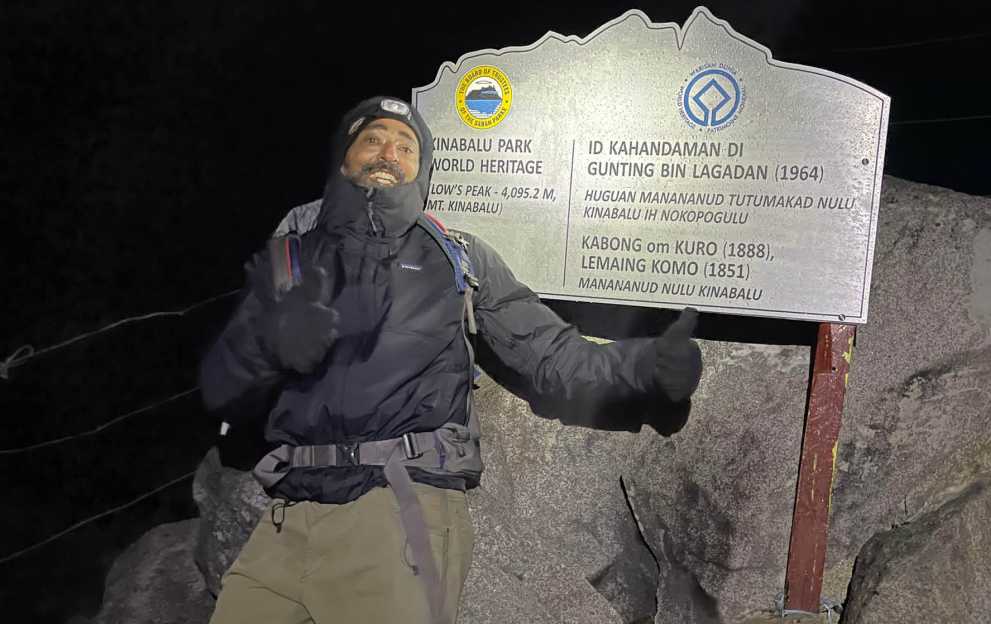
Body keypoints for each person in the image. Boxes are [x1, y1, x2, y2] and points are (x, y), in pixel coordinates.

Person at [199, 95, 703, 624]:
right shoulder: (290, 257)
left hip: (395, 511)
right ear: (343, 158)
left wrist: (647, 366)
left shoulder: (455, 255)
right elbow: (226, 392)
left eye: (406, 145)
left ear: (423, 170)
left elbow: (552, 352)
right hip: (285, 518)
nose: (387, 152)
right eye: (371, 139)